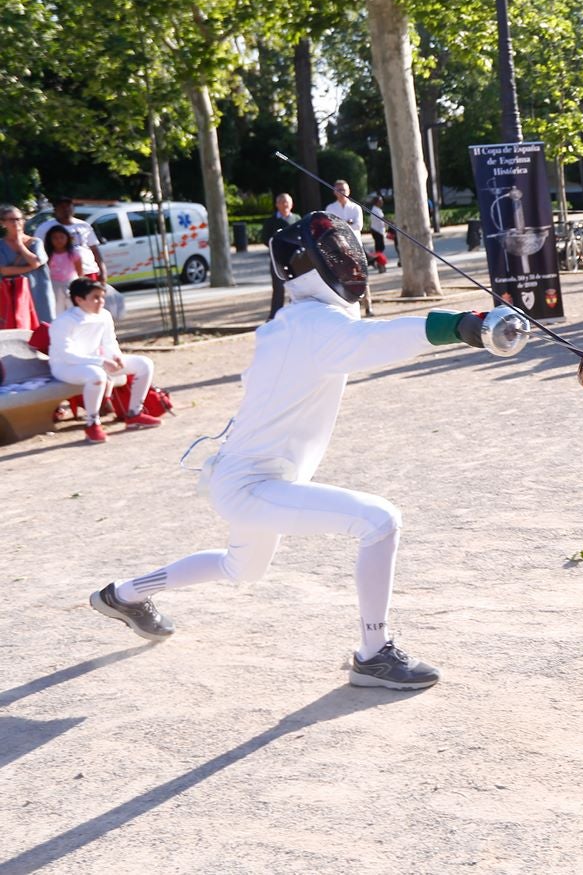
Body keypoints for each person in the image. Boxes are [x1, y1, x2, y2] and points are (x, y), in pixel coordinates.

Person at [87, 212, 522, 687]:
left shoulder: (297, 323)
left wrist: (467, 324)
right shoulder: (313, 327)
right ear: (313, 267)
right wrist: (462, 324)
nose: (352, 264)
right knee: (379, 522)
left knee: (242, 568)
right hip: (253, 484)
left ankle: (123, 595)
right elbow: (377, 340)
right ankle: (374, 655)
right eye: (337, 255)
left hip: (246, 477)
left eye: (348, 252)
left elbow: (359, 336)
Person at [48, 278, 159, 443]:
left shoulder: (104, 316)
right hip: (66, 367)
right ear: (79, 300)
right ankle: (92, 424)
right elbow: (67, 354)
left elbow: (109, 342)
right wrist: (101, 361)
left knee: (144, 364)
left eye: (102, 297)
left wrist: (116, 356)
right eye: (95, 297)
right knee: (97, 376)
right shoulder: (63, 322)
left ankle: (134, 414)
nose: (101, 301)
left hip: (96, 362)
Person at [35, 195, 107, 279]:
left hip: (89, 271)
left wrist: (102, 270)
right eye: (61, 207)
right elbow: (38, 251)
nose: (65, 209)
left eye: (68, 206)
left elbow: (94, 249)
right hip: (61, 276)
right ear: (55, 210)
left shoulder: (84, 226)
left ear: (73, 208)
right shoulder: (44, 228)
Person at [0, 203, 43, 331]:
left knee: (39, 326)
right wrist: (31, 267)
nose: (17, 223)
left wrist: (20, 245)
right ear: (3, 223)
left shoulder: (35, 242)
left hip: (36, 291)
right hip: (9, 292)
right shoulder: (1, 245)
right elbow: (4, 270)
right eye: (12, 220)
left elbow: (36, 261)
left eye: (19, 219)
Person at [260, 193, 300, 320]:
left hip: (294, 259)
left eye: (287, 202)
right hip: (277, 259)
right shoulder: (271, 221)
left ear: (292, 204)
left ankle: (295, 313)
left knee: (296, 287)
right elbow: (265, 238)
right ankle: (274, 316)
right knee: (278, 288)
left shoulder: (296, 219)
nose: (285, 205)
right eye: (282, 202)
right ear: (277, 205)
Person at [43, 224, 89, 315]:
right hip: (54, 285)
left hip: (71, 284)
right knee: (57, 309)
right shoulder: (48, 255)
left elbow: (80, 272)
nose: (59, 240)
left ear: (67, 238)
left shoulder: (73, 254)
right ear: (49, 240)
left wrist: (81, 285)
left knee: (73, 307)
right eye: (55, 238)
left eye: (61, 237)